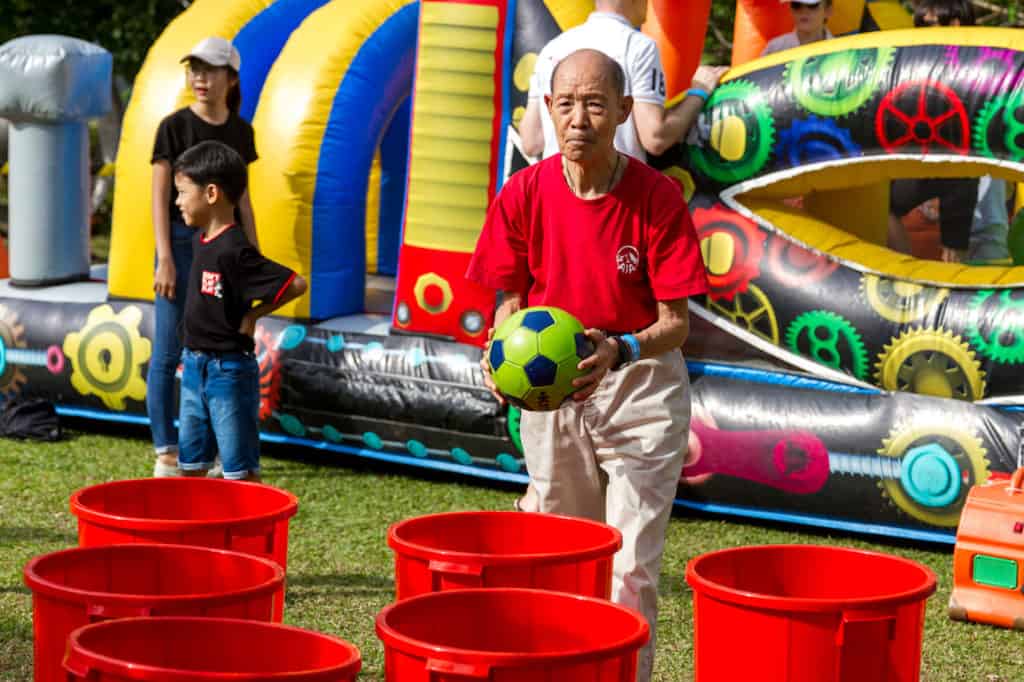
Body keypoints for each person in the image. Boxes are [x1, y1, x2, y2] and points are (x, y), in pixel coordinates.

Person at [467, 50, 709, 682]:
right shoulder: (522, 193)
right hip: (552, 395)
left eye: (596, 103)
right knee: (563, 558)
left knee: (629, 567)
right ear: (547, 110)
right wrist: (500, 352)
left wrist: (621, 349)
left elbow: (676, 323)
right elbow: (510, 303)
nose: (579, 118)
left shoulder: (656, 198)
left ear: (625, 111)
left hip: (640, 386)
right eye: (566, 103)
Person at [148, 37, 260, 477]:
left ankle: (214, 451)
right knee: (169, 349)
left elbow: (244, 202)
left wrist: (252, 258)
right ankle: (166, 452)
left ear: (230, 78)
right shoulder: (173, 127)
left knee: (218, 346)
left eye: (209, 69)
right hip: (179, 244)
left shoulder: (240, 131)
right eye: (194, 68)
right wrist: (164, 258)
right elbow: (159, 196)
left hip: (225, 249)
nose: (199, 77)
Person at [172, 141, 306, 482]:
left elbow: (296, 284)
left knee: (238, 469)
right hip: (193, 367)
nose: (178, 201)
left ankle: (246, 525)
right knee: (190, 464)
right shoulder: (199, 241)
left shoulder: (236, 250)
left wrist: (253, 316)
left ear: (212, 193)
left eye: (183, 192)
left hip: (228, 372)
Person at [518, 0, 727, 162]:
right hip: (615, 201)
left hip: (556, 201)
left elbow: (531, 140)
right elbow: (655, 137)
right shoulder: (639, 47)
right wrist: (699, 90)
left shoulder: (552, 49)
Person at [887, 0, 978, 262]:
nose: (925, 30)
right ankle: (908, 272)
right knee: (883, 203)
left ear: (956, 25)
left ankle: (954, 275)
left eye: (931, 24)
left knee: (969, 198)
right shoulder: (914, 62)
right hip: (924, 159)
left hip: (964, 162)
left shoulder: (976, 64)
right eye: (921, 25)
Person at [761, 0, 834, 56]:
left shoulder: (840, 51)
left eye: (812, 5)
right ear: (790, 9)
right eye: (796, 5)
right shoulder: (774, 49)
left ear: (828, 11)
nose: (804, 11)